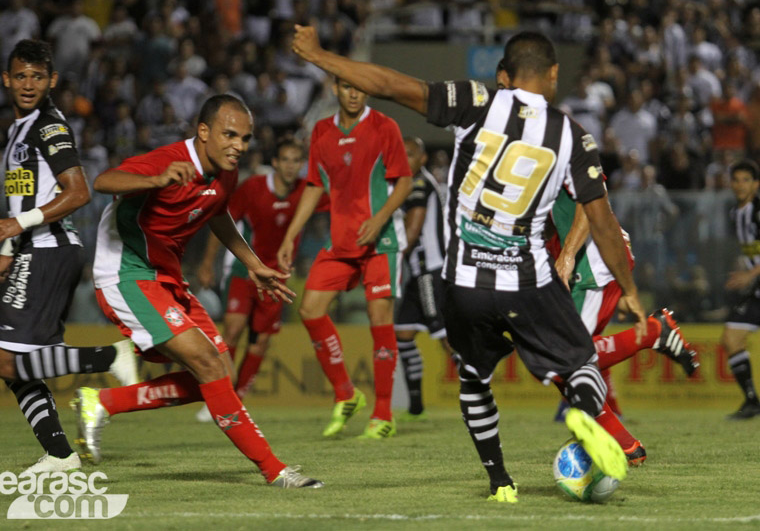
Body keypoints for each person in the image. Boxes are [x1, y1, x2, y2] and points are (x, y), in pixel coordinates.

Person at [291, 27, 647, 502]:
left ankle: (500, 482)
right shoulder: (572, 135)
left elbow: (390, 85)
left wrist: (319, 55)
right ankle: (583, 408)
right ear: (553, 74)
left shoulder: (478, 102)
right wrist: (629, 289)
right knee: (580, 360)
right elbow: (601, 223)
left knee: (475, 379)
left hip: (463, 281)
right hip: (528, 278)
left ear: (506, 74)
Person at [72, 94, 323, 488]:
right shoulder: (170, 160)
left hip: (166, 276)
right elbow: (104, 181)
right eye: (230, 135)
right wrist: (155, 180)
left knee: (222, 372)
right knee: (208, 365)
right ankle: (274, 470)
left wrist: (252, 262)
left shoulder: (225, 173)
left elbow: (216, 213)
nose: (239, 146)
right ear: (203, 132)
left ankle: (103, 403)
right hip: (127, 272)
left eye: (245, 138)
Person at [497, 61, 699, 466]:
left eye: (508, 90)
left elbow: (590, 205)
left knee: (565, 360)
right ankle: (626, 445)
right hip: (574, 264)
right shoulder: (515, 146)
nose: (502, 99)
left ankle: (653, 332)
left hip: (592, 260)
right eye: (499, 90)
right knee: (564, 364)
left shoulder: (558, 138)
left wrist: (568, 255)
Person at [0, 39, 138, 474]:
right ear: (6, 79)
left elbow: (79, 191)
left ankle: (109, 357)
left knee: (5, 359)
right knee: (13, 363)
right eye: (21, 76)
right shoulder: (18, 129)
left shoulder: (48, 126)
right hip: (36, 249)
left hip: (49, 250)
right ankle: (59, 455)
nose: (28, 84)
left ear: (51, 80)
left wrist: (17, 226)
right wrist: (8, 250)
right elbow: (24, 197)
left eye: (37, 77)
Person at [277, 77, 412, 440]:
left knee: (379, 320)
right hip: (341, 241)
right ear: (335, 89)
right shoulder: (322, 131)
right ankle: (346, 393)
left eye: (360, 87)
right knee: (310, 309)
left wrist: (379, 219)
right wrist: (290, 236)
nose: (354, 93)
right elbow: (314, 185)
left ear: (367, 90)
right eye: (347, 87)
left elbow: (404, 181)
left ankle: (383, 414)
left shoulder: (384, 127)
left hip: (381, 240)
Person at [194, 138, 328, 419]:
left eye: (296, 160)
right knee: (233, 330)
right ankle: (218, 398)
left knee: (260, 343)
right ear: (275, 163)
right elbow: (222, 221)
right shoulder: (253, 188)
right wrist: (207, 263)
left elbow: (340, 199)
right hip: (244, 269)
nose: (290, 166)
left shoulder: (307, 191)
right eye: (285, 160)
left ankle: (237, 402)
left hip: (277, 278)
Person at [394, 136, 454, 421]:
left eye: (410, 154)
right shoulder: (413, 182)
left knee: (445, 337)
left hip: (430, 271)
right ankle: (416, 406)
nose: (404, 159)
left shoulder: (418, 184)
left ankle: (479, 395)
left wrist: (390, 260)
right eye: (401, 153)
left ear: (423, 158)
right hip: (419, 272)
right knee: (404, 334)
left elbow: (412, 231)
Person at [721, 159, 760, 420]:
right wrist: (744, 269)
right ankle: (752, 401)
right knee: (731, 338)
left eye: (746, 180)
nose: (740, 185)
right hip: (756, 289)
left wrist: (749, 274)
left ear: (756, 184)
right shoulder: (736, 213)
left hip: (755, 282)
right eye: (736, 180)